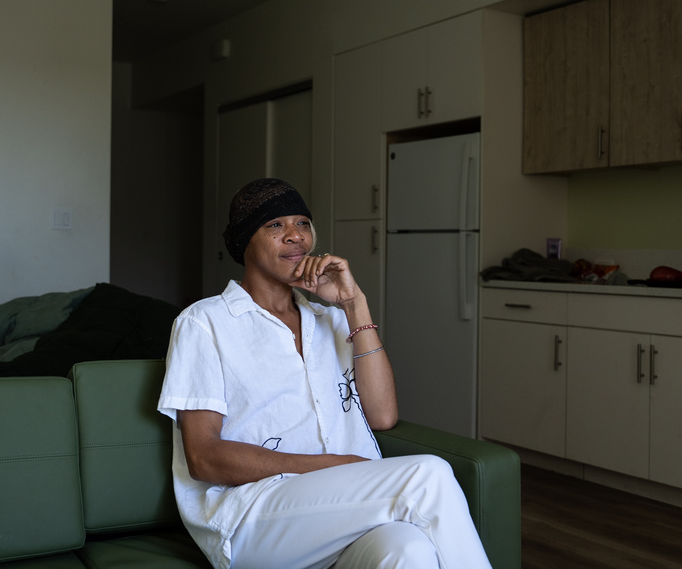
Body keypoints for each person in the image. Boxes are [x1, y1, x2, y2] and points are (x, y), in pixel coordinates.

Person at [158, 178, 491, 569]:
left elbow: (383, 415)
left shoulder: (331, 319)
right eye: (275, 225)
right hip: (253, 515)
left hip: (342, 512)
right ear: (245, 241)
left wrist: (354, 303)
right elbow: (204, 458)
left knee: (409, 550)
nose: (295, 236)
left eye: (302, 223)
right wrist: (331, 466)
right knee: (428, 473)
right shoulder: (205, 323)